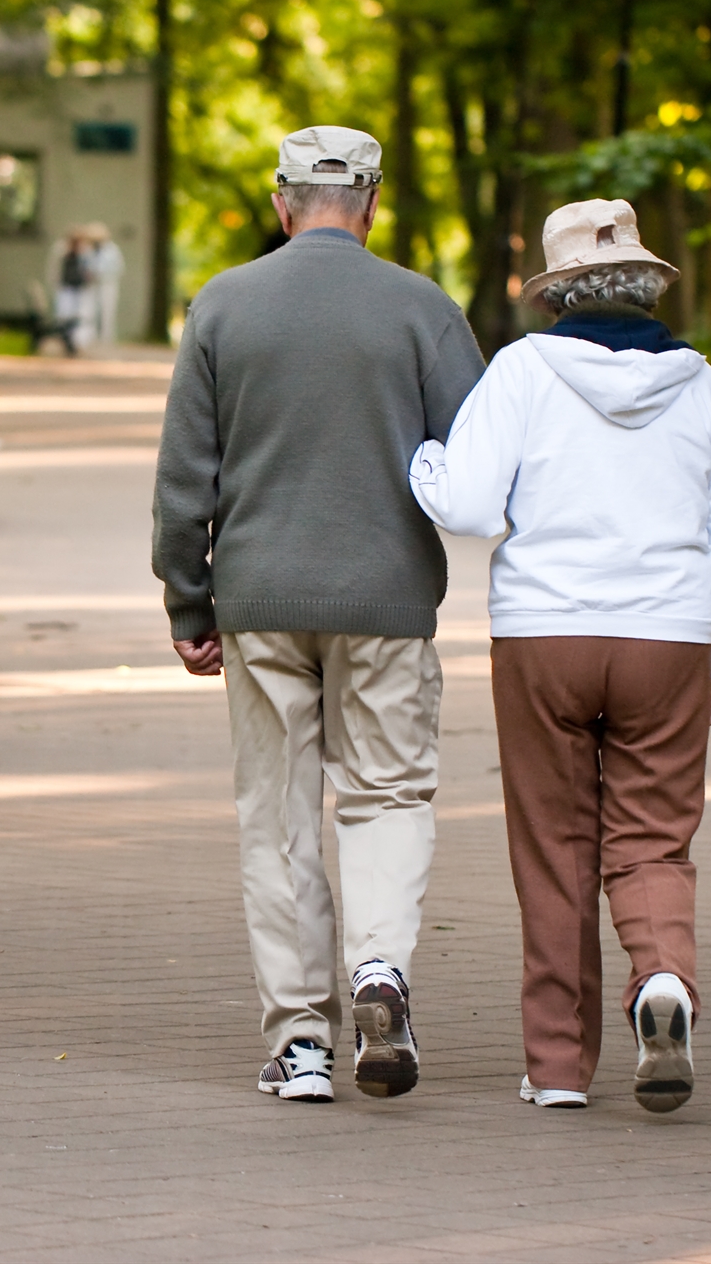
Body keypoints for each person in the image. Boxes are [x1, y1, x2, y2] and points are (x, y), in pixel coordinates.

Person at [153, 126, 486, 1103]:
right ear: (373, 200)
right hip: (385, 601)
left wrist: (186, 595)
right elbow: (476, 458)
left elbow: (185, 476)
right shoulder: (423, 310)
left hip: (258, 598)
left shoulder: (222, 304)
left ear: (279, 201)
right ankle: (378, 970)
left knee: (279, 813)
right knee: (384, 796)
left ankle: (301, 1039)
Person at [408, 198, 711, 1113]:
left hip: (546, 635)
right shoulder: (704, 385)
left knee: (555, 845)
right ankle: (663, 981)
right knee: (652, 839)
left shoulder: (523, 372)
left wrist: (424, 467)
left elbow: (475, 505)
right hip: (668, 635)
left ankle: (558, 1068)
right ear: (646, 286)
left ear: (558, 291)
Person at [48, 227, 95, 351]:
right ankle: (66, 340)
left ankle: (78, 342)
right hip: (65, 288)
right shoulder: (61, 250)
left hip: (80, 288)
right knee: (64, 315)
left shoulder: (85, 251)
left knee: (80, 316)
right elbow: (54, 269)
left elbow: (90, 269)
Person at [83, 223, 124, 345]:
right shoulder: (89, 250)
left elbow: (119, 268)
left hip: (108, 284)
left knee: (107, 311)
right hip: (92, 285)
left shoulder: (112, 250)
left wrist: (101, 274)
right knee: (90, 311)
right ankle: (91, 336)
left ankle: (106, 338)